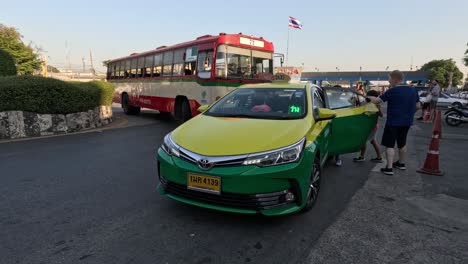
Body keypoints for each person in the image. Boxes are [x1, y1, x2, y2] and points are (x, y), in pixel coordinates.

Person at [367, 70, 421, 175]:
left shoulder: (393, 90)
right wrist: (409, 113)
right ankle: (401, 163)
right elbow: (418, 106)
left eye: (389, 78)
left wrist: (367, 97)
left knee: (390, 145)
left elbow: (377, 101)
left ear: (395, 79)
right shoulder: (413, 90)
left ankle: (389, 168)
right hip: (407, 122)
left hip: (393, 122)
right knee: (402, 143)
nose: (388, 80)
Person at [353, 89, 384, 163]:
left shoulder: (376, 105)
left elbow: (381, 115)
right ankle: (376, 157)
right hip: (370, 126)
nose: (367, 98)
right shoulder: (368, 103)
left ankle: (363, 157)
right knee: (369, 141)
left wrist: (378, 109)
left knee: (367, 141)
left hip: (372, 126)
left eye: (368, 97)